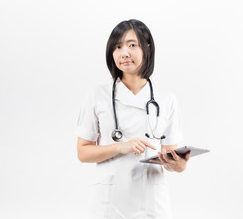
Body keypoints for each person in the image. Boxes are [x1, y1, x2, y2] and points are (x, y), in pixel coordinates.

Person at [76, 19, 191, 219]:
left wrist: (178, 164)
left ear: (147, 48)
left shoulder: (166, 99)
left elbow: (174, 161)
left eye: (132, 45)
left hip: (151, 199)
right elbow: (83, 152)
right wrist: (121, 147)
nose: (124, 53)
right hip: (109, 200)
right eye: (117, 47)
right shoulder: (97, 95)